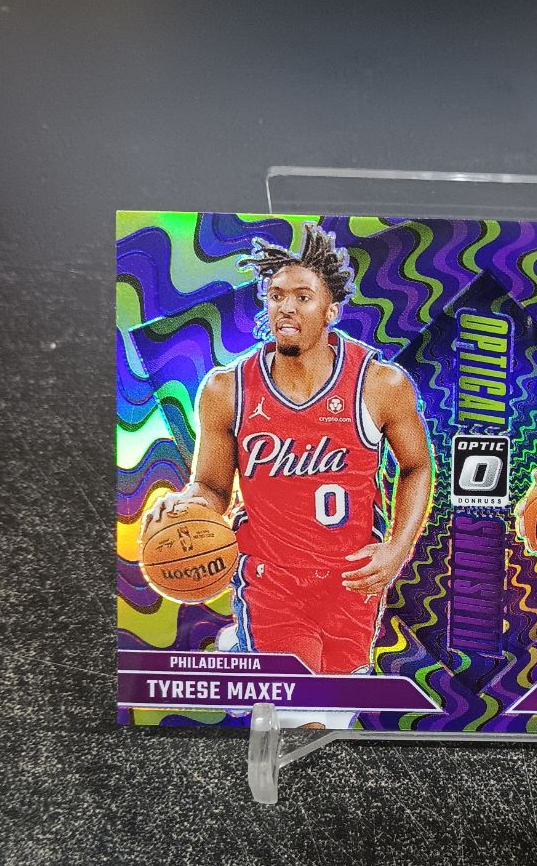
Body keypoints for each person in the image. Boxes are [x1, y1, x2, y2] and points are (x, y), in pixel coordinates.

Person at [142, 227, 433, 722]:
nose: (286, 308)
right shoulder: (227, 390)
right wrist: (186, 503)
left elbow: (416, 465)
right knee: (304, 720)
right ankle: (255, 652)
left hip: (352, 584)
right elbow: (212, 487)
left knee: (336, 718)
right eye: (277, 296)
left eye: (303, 296)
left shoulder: (380, 384)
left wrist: (398, 547)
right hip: (272, 581)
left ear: (331, 310)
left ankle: (240, 654)